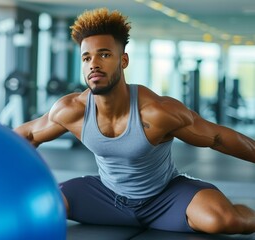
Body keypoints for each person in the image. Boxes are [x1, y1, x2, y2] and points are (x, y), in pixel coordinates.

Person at [14, 8, 255, 234]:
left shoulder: (156, 112)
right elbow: (27, 136)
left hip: (166, 197)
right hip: (105, 197)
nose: (94, 64)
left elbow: (218, 137)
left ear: (124, 60)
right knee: (38, 209)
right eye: (86, 58)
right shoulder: (71, 110)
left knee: (223, 220)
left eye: (104, 54)